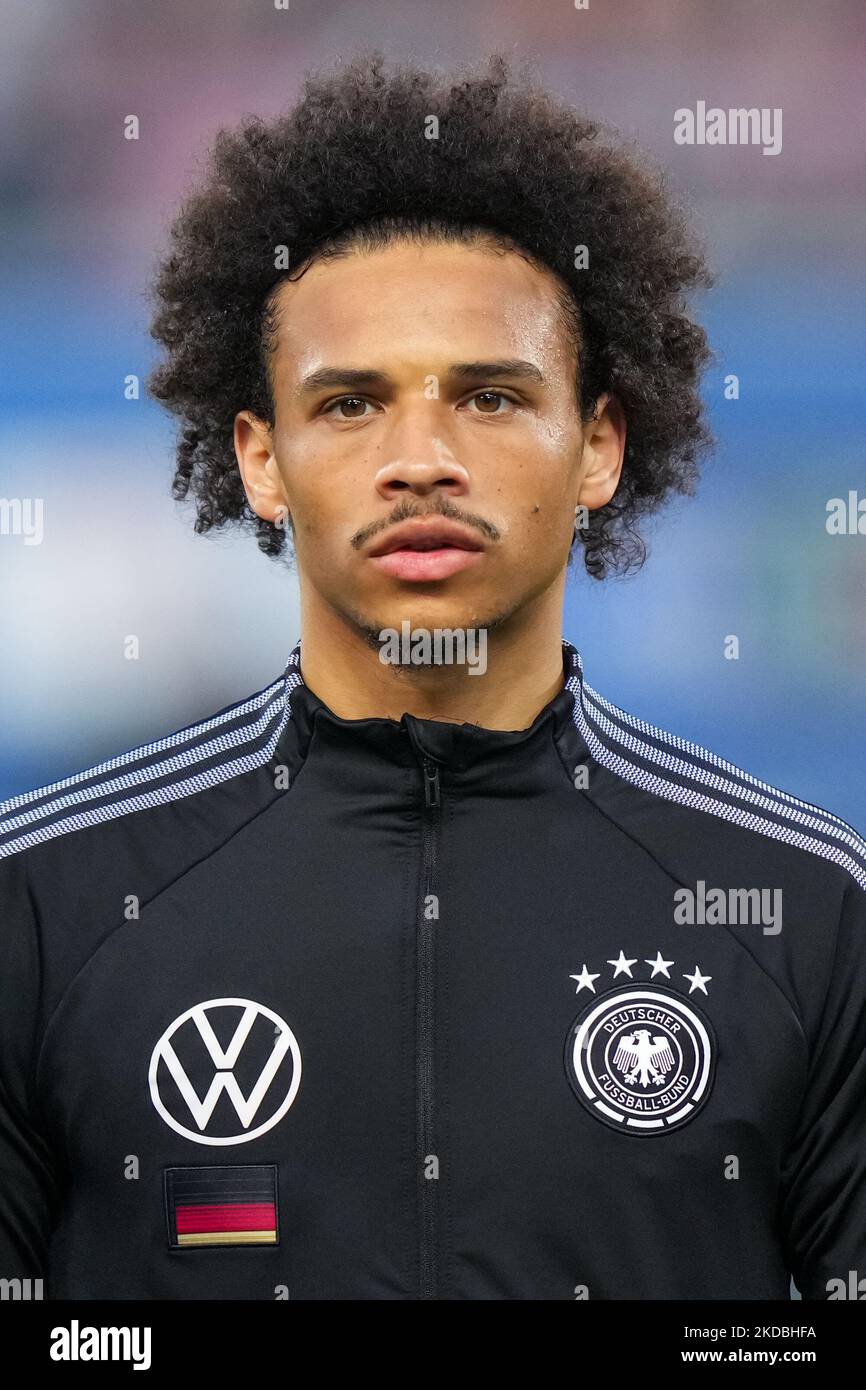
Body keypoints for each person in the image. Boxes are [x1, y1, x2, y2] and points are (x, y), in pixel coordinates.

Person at [1, 53, 863, 1302]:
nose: (420, 459)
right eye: (349, 404)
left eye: (490, 396)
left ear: (597, 448)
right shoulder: (43, 902)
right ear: (259, 459)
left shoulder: (803, 909)